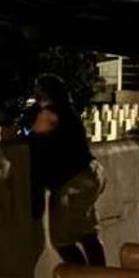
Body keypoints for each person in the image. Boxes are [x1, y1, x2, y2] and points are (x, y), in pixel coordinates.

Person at [22, 73, 105, 266]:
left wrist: (37, 203)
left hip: (72, 183)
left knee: (62, 241)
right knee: (87, 233)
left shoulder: (48, 116)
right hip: (89, 175)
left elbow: (37, 156)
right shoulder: (68, 112)